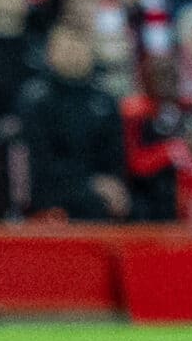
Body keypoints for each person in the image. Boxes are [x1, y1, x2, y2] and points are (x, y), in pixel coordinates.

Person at [12, 21, 130, 221]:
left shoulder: (104, 100)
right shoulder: (35, 99)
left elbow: (114, 156)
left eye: (80, 45)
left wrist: (113, 185)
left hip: (99, 192)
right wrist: (91, 183)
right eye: (66, 47)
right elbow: (40, 163)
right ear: (50, 53)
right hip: (51, 193)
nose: (73, 53)